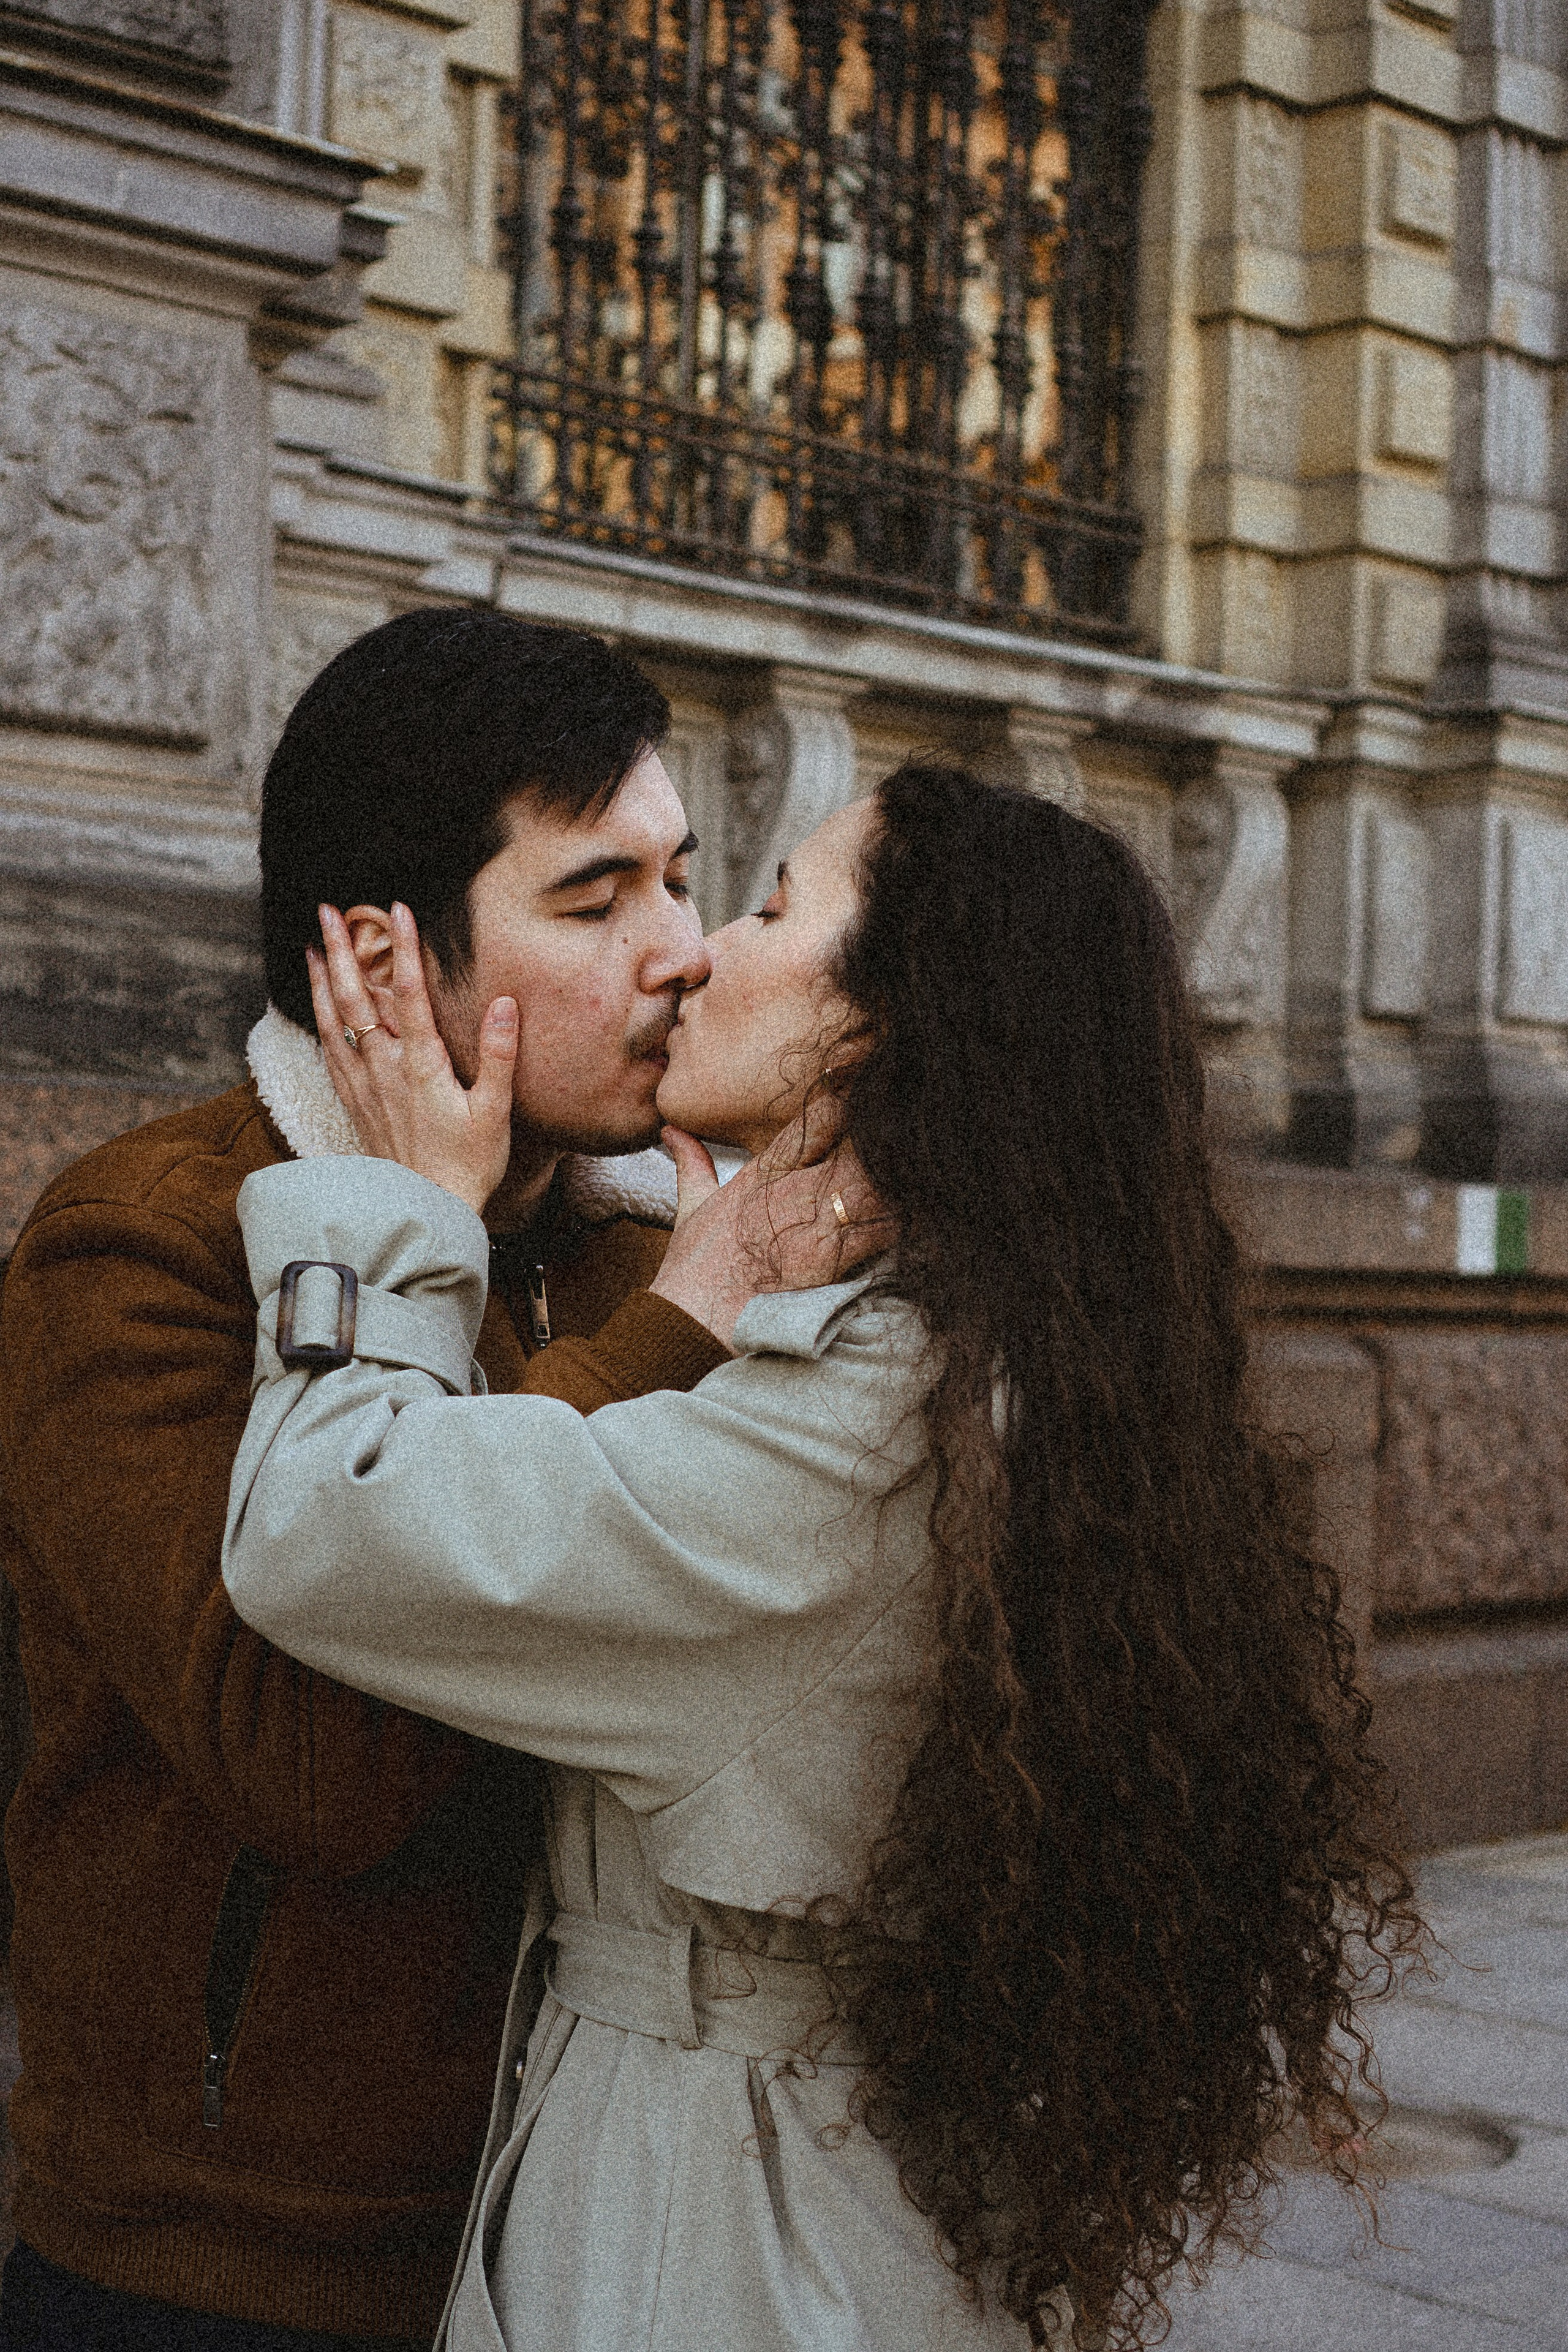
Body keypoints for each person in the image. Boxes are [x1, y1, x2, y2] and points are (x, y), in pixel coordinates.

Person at [219, 763, 1423, 2351]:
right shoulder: (987, 1354)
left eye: (773, 904)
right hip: (832, 2186)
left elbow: (324, 1526)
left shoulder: (855, 1438)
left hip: (717, 2234)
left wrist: (392, 1207)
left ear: (883, 1031)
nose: (699, 948)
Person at [0, 609, 873, 2351]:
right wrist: (676, 1328)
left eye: (685, 883)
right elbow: (320, 1769)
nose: (683, 953)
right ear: (386, 962)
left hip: (549, 2239)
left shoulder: (633, 1253)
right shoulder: (143, 1248)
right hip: (208, 2272)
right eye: (594, 899)